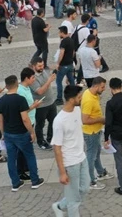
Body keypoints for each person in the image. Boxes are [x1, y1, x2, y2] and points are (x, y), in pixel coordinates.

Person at [0, 75, 45, 191]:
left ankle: (15, 183)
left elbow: (0, 119)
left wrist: (3, 133)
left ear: (6, 86)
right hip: (21, 133)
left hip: (8, 134)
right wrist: (32, 132)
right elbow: (25, 118)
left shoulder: (1, 101)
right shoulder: (20, 100)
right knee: (30, 155)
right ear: (17, 85)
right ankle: (35, 180)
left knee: (11, 159)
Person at [51, 85, 89, 217]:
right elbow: (56, 148)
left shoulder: (77, 110)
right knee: (74, 200)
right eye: (79, 97)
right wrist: (62, 173)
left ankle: (60, 206)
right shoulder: (59, 121)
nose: (81, 98)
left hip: (82, 158)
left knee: (85, 188)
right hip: (70, 163)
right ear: (72, 99)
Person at [81, 77, 113, 190]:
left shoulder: (91, 94)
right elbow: (85, 120)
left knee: (96, 152)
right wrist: (101, 119)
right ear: (96, 86)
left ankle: (101, 172)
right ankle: (91, 181)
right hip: (91, 132)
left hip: (96, 130)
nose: (104, 89)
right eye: (102, 87)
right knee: (91, 156)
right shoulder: (89, 100)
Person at [29, 58, 57, 151]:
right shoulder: (32, 78)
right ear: (33, 66)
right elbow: (40, 91)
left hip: (51, 102)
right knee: (40, 125)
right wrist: (49, 81)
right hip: (41, 105)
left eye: (43, 65)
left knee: (53, 121)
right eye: (39, 66)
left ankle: (50, 138)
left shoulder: (43, 71)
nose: (42, 67)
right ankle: (41, 142)